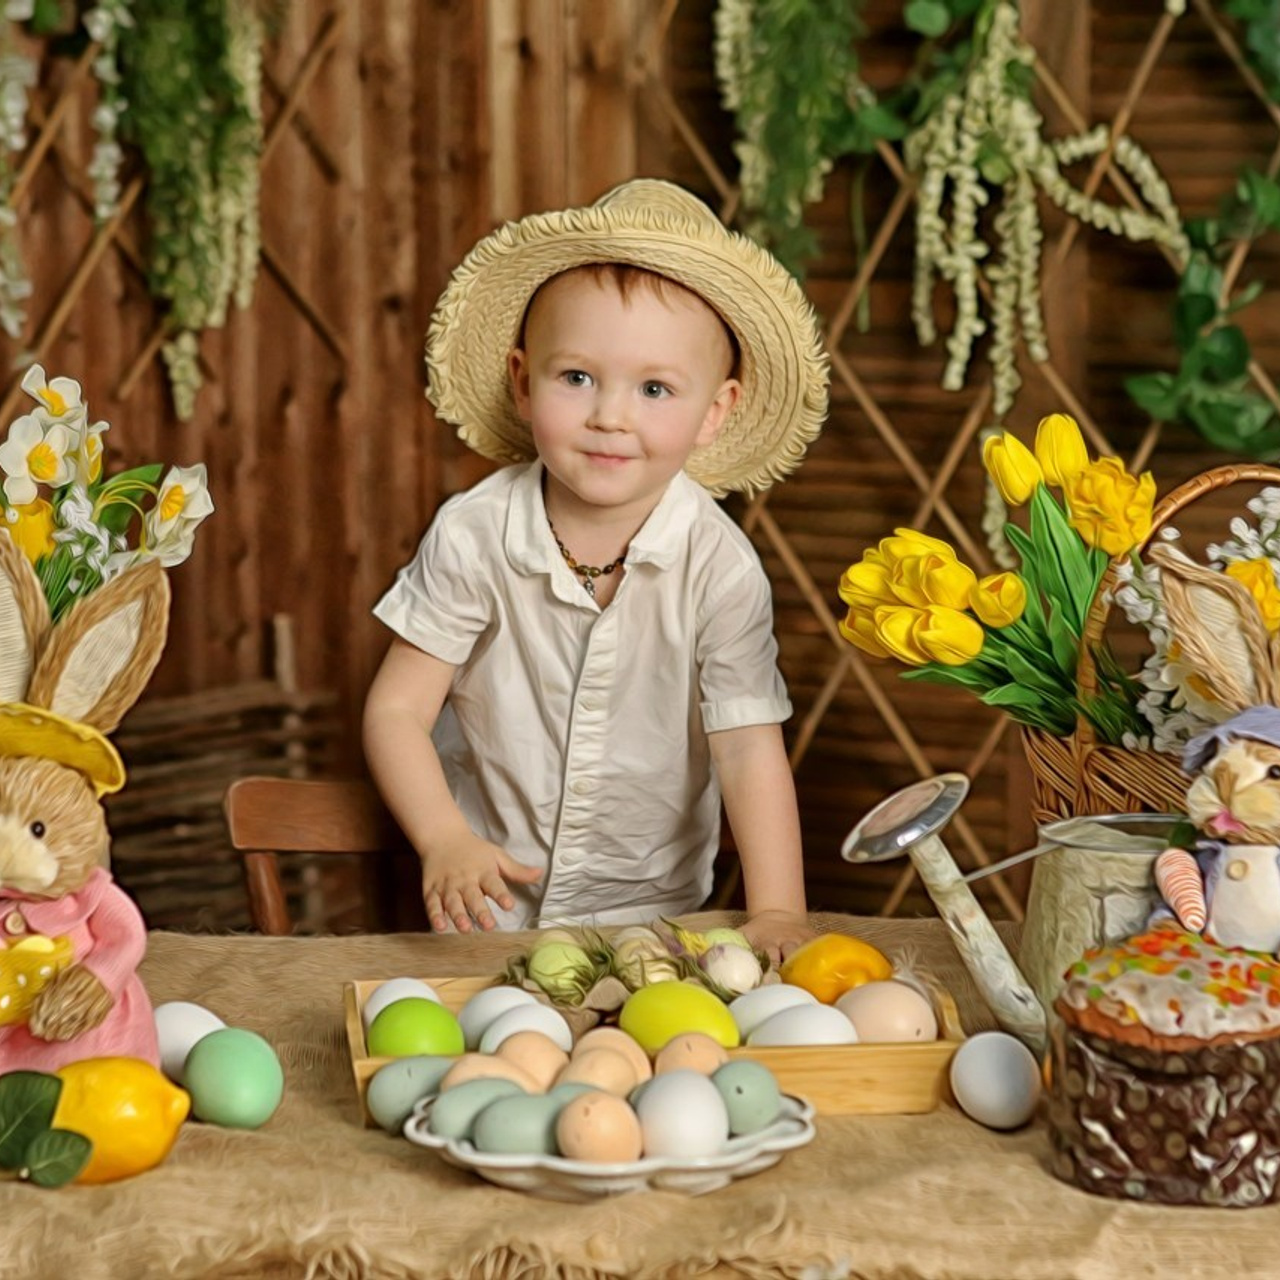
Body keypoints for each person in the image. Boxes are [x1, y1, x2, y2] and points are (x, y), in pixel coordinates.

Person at [363, 178, 829, 961]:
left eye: (654, 389)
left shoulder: (720, 567)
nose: (611, 415)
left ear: (715, 412)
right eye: (576, 377)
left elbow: (748, 746)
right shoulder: (475, 535)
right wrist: (444, 838)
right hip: (488, 904)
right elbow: (396, 712)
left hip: (656, 917)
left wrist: (779, 908)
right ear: (522, 381)